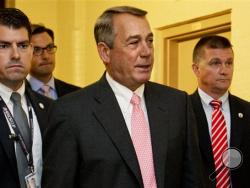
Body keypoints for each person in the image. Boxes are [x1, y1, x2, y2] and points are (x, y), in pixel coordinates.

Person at [42, 6, 204, 188]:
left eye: (149, 41)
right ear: (105, 52)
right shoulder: (71, 113)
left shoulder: (177, 104)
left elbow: (193, 180)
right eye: (134, 43)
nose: (146, 52)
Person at [0, 8, 52, 188]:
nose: (15, 55)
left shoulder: (50, 108)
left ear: (31, 50)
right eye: (4, 46)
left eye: (22, 46)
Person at [190, 35, 250, 188]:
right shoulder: (181, 111)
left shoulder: (247, 111)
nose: (224, 70)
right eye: (215, 63)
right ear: (196, 69)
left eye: (229, 63)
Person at [27, 24, 80, 99]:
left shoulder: (75, 94)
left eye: (50, 48)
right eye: (37, 50)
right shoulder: (18, 95)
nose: (46, 56)